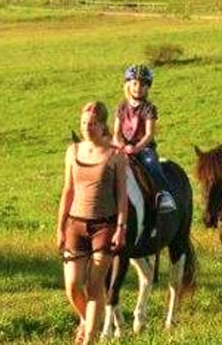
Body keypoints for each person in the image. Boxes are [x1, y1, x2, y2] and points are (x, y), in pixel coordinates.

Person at [56, 102, 130, 345]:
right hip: (75, 224)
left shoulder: (116, 155)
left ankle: (89, 338)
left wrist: (121, 228)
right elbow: (67, 191)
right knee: (72, 286)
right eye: (84, 123)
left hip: (104, 226)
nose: (87, 127)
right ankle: (87, 320)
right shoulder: (72, 151)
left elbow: (121, 196)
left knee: (95, 283)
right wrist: (60, 226)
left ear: (103, 125)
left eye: (93, 123)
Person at [114, 65, 176, 213]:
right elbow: (116, 133)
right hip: (122, 147)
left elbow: (149, 135)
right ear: (128, 85)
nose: (138, 88)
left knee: (151, 163)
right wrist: (121, 145)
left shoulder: (149, 109)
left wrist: (136, 148)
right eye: (135, 83)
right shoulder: (122, 107)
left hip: (143, 148)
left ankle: (162, 195)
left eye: (143, 84)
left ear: (148, 87)